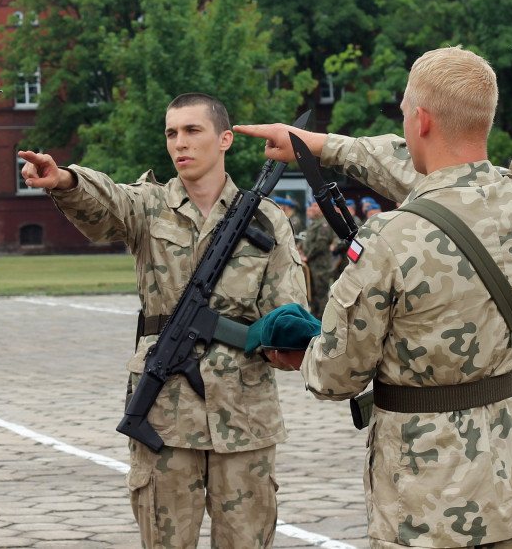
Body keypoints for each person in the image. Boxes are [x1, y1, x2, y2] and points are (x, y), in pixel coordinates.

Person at [236, 46, 512, 547]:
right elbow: (440, 178)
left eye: (405, 113)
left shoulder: (389, 239)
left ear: (422, 119)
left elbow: (334, 376)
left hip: (428, 500)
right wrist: (318, 144)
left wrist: (298, 348)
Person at [19, 92, 307, 549]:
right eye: (172, 133)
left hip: (244, 415)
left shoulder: (267, 219)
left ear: (225, 139)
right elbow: (105, 202)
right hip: (165, 417)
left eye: (193, 131)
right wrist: (65, 180)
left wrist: (290, 340)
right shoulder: (149, 205)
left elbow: (288, 311)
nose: (180, 143)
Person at [300, 198, 335, 317]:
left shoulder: (324, 223)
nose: (312, 209)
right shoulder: (315, 223)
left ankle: (323, 323)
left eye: (315, 206)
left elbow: (321, 244)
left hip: (320, 265)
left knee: (321, 296)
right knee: (313, 295)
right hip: (313, 265)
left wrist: (307, 256)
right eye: (312, 206)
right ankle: (315, 320)